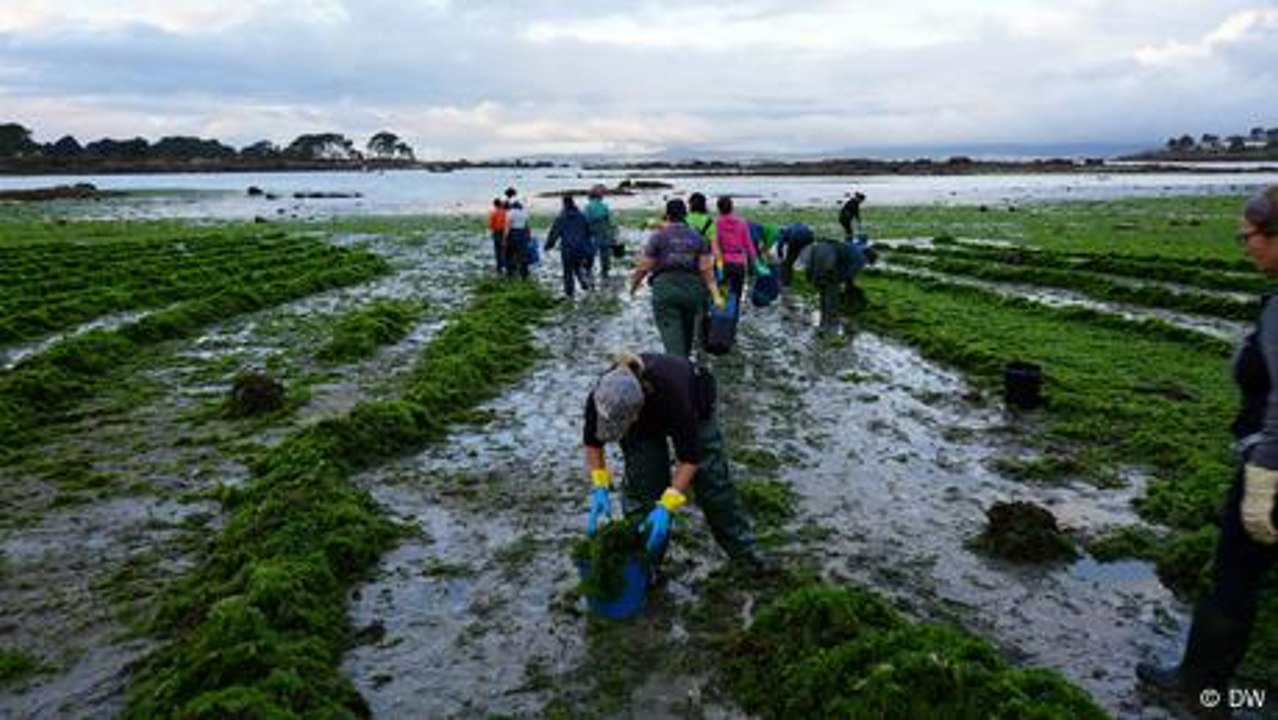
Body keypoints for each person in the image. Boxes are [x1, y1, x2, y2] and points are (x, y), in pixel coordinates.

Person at [1136, 185, 1278, 708]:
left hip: (1272, 467)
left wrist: (1262, 480)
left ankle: (1199, 688)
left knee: (1235, 577)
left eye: (1250, 236)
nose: (1245, 247)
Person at [582, 351, 771, 574]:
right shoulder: (603, 396)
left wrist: (667, 505)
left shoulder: (674, 397)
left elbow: (690, 459)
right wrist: (599, 485)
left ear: (636, 413)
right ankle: (645, 564)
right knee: (643, 486)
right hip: (644, 418)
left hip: (694, 403)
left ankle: (746, 554)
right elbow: (592, 442)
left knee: (713, 483)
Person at [629, 198, 725, 358]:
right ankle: (684, 367)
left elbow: (644, 267)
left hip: (665, 290)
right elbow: (706, 270)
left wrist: (633, 286)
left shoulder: (658, 236)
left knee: (672, 341)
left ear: (667, 215)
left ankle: (678, 371)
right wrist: (715, 295)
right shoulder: (698, 237)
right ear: (685, 215)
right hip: (693, 291)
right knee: (687, 338)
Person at [545, 195, 596, 298]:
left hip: (567, 249)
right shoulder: (582, 216)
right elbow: (590, 232)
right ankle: (584, 283)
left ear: (564, 204)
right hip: (581, 248)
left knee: (568, 272)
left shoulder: (561, 218)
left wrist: (548, 245)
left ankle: (570, 294)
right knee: (577, 267)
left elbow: (554, 233)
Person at [713, 195, 757, 310]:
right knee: (737, 294)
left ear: (719, 209)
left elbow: (715, 245)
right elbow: (748, 245)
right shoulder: (741, 223)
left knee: (722, 293)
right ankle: (734, 318)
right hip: (739, 263)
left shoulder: (717, 224)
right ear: (732, 208)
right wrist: (755, 261)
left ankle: (722, 317)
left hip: (723, 263)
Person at [584, 186, 618, 278]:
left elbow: (586, 220)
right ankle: (605, 270)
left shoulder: (588, 207)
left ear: (590, 197)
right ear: (600, 197)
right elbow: (610, 221)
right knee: (605, 252)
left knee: (591, 251)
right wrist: (613, 232)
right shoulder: (604, 206)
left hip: (593, 231)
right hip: (605, 231)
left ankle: (588, 269)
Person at [774, 222, 815, 286]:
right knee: (809, 259)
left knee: (788, 263)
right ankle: (810, 279)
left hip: (794, 239)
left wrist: (780, 256)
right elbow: (811, 232)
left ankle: (786, 282)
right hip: (808, 237)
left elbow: (780, 244)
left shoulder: (785, 232)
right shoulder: (799, 225)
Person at [503, 200, 531, 279]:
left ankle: (510, 273)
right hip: (522, 234)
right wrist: (528, 236)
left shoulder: (510, 213)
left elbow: (508, 226)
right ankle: (524, 274)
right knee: (523, 255)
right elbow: (527, 226)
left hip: (513, 233)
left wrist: (505, 238)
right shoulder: (524, 213)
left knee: (510, 254)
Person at [487, 198, 507, 275]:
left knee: (497, 249)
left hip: (497, 232)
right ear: (500, 204)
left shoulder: (493, 213)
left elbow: (491, 225)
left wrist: (493, 230)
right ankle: (504, 264)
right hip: (504, 231)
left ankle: (499, 266)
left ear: (494, 205)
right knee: (504, 249)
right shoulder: (505, 212)